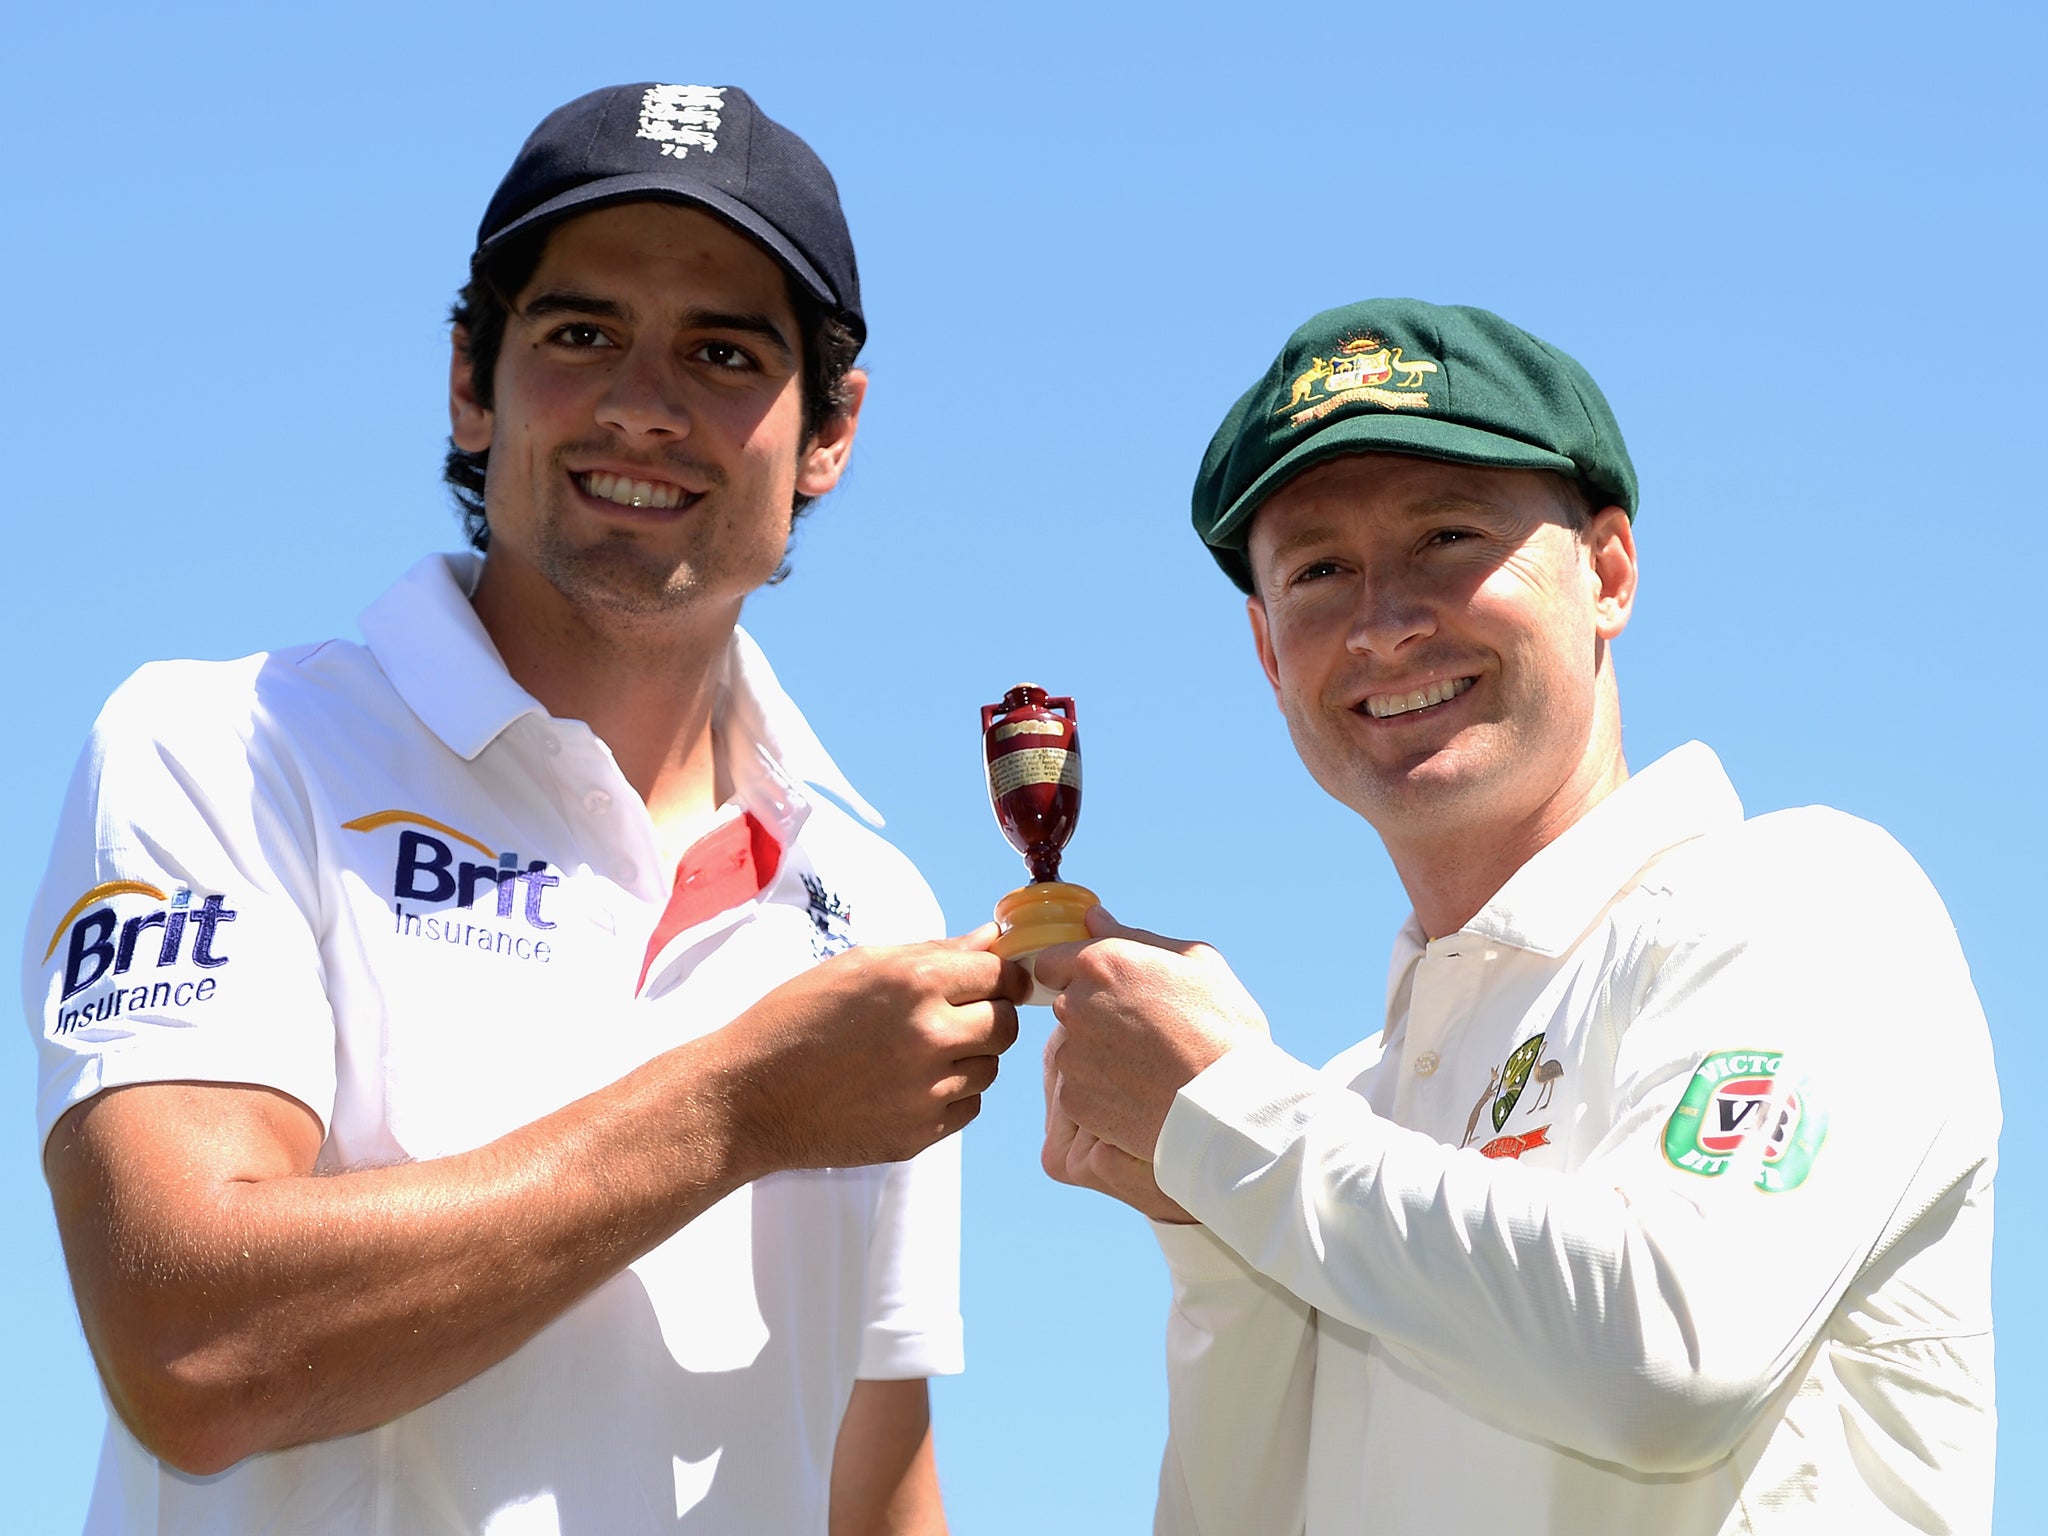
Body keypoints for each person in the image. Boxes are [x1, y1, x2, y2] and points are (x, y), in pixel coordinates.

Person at [24, 82, 1025, 1536]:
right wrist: (740, 1109)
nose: (643, 403)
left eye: (725, 352)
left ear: (830, 433)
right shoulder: (224, 746)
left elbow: (869, 1480)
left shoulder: (870, 907)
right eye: (579, 335)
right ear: (468, 380)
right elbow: (191, 1348)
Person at [1036, 298, 2000, 1534]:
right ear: (1266, 651)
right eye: (1319, 570)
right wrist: (1202, 1218)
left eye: (1446, 536)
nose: (1383, 622)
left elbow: (1669, 1356)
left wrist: (1225, 1113)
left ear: (1607, 573)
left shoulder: (1809, 902)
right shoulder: (1348, 1105)